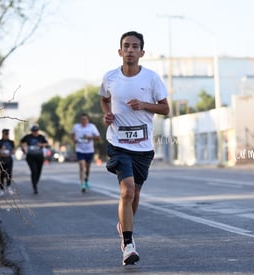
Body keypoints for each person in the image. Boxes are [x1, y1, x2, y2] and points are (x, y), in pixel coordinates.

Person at [99, 31, 169, 266]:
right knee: (127, 191)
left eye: (134, 46)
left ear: (141, 52)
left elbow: (165, 108)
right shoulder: (110, 78)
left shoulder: (151, 79)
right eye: (126, 46)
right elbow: (103, 98)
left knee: (135, 193)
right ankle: (128, 244)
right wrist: (106, 114)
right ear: (120, 52)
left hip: (143, 147)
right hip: (118, 144)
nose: (130, 49)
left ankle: (124, 224)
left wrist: (143, 105)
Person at [71, 113, 101, 192]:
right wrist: (74, 140)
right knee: (81, 166)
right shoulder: (76, 127)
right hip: (80, 150)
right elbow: (72, 134)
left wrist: (89, 137)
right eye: (82, 119)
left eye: (85, 119)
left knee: (87, 167)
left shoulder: (92, 127)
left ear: (88, 120)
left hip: (89, 150)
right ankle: (82, 184)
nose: (83, 121)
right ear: (80, 120)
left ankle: (86, 179)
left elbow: (98, 137)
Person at [20, 125, 48, 194]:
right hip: (30, 156)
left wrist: (41, 145)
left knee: (38, 172)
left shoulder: (41, 137)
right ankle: (34, 186)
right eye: (33, 131)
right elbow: (21, 142)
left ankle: (35, 182)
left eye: (36, 131)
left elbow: (46, 144)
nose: (35, 133)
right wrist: (23, 149)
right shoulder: (28, 137)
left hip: (39, 156)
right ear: (31, 131)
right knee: (34, 171)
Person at [0, 129, 15, 196]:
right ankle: (1, 189)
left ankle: (9, 187)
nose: (6, 135)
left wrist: (8, 153)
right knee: (1, 175)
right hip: (0, 160)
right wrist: (1, 150)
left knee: (9, 174)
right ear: (2, 134)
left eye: (7, 134)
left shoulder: (11, 142)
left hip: (9, 160)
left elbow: (13, 151)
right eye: (5, 134)